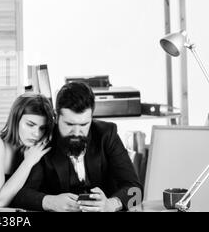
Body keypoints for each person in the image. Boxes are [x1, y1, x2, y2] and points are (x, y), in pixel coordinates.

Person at [12, 82, 142, 212]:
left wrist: (111, 204)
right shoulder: (43, 138)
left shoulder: (107, 134)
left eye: (84, 124)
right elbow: (19, 195)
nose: (76, 132)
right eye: (69, 124)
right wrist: (50, 202)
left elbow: (135, 189)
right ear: (56, 117)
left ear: (92, 118)